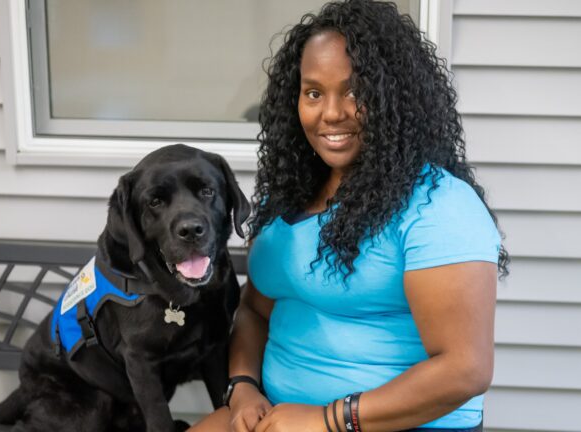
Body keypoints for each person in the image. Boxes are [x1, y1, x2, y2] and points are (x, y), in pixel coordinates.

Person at [190, 0, 508, 431]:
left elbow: (465, 369)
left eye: (355, 91)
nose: (332, 113)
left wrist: (328, 420)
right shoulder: (290, 194)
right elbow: (254, 310)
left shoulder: (439, 206)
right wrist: (243, 386)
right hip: (276, 418)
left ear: (393, 97)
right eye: (314, 93)